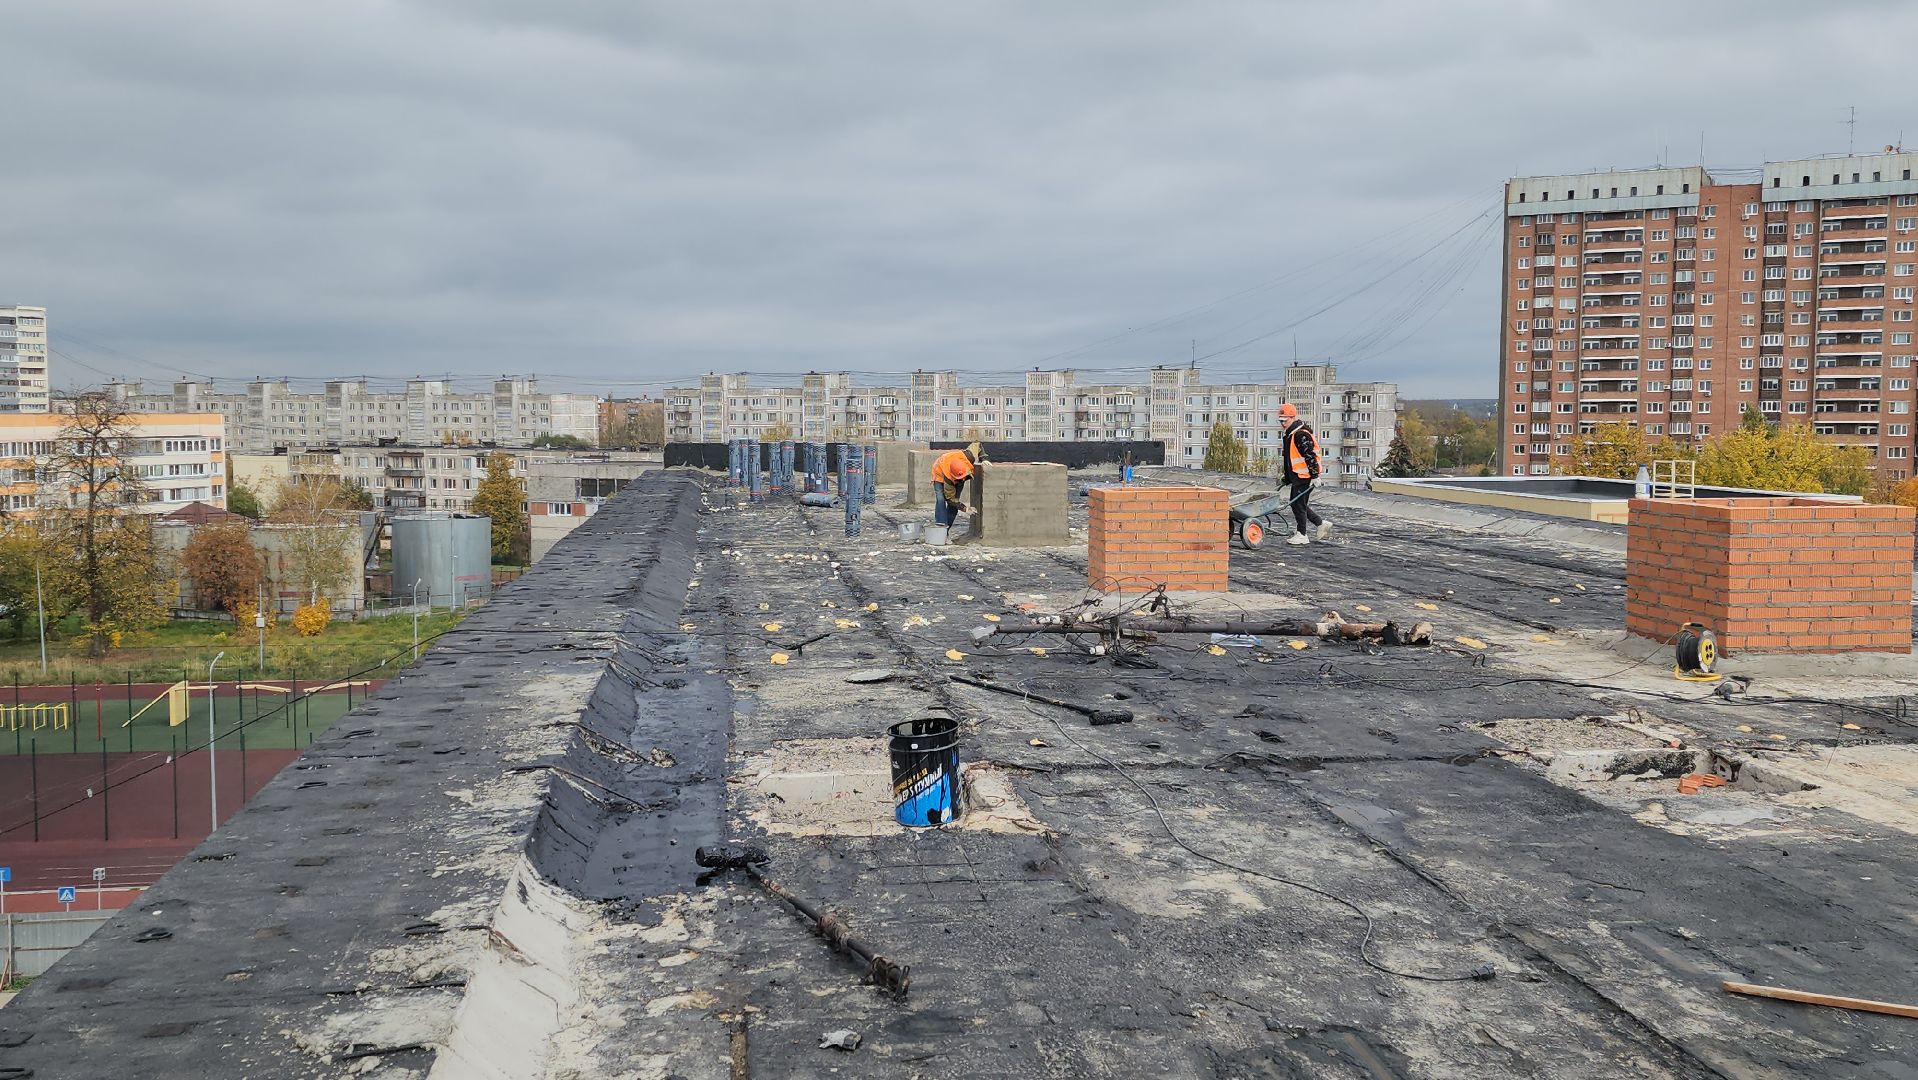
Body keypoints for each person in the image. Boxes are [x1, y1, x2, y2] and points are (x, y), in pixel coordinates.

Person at [1277, 403, 1330, 545]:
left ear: (1293, 418)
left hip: (1305, 476)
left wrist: (1315, 476)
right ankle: (1320, 523)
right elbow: (1291, 459)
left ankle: (1302, 534)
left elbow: (1310, 456)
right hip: (1298, 476)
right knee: (1298, 504)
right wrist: (1287, 477)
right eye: (1280, 420)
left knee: (1298, 505)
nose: (1282, 423)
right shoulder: (1291, 434)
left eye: (1285, 420)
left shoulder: (1300, 435)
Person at [931, 442, 982, 526]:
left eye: (963, 477)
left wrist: (984, 459)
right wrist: (965, 509)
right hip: (939, 473)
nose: (962, 480)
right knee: (941, 500)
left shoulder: (969, 456)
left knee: (954, 505)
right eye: (960, 478)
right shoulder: (948, 479)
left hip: (953, 468)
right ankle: (940, 528)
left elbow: (977, 445)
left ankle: (946, 530)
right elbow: (950, 499)